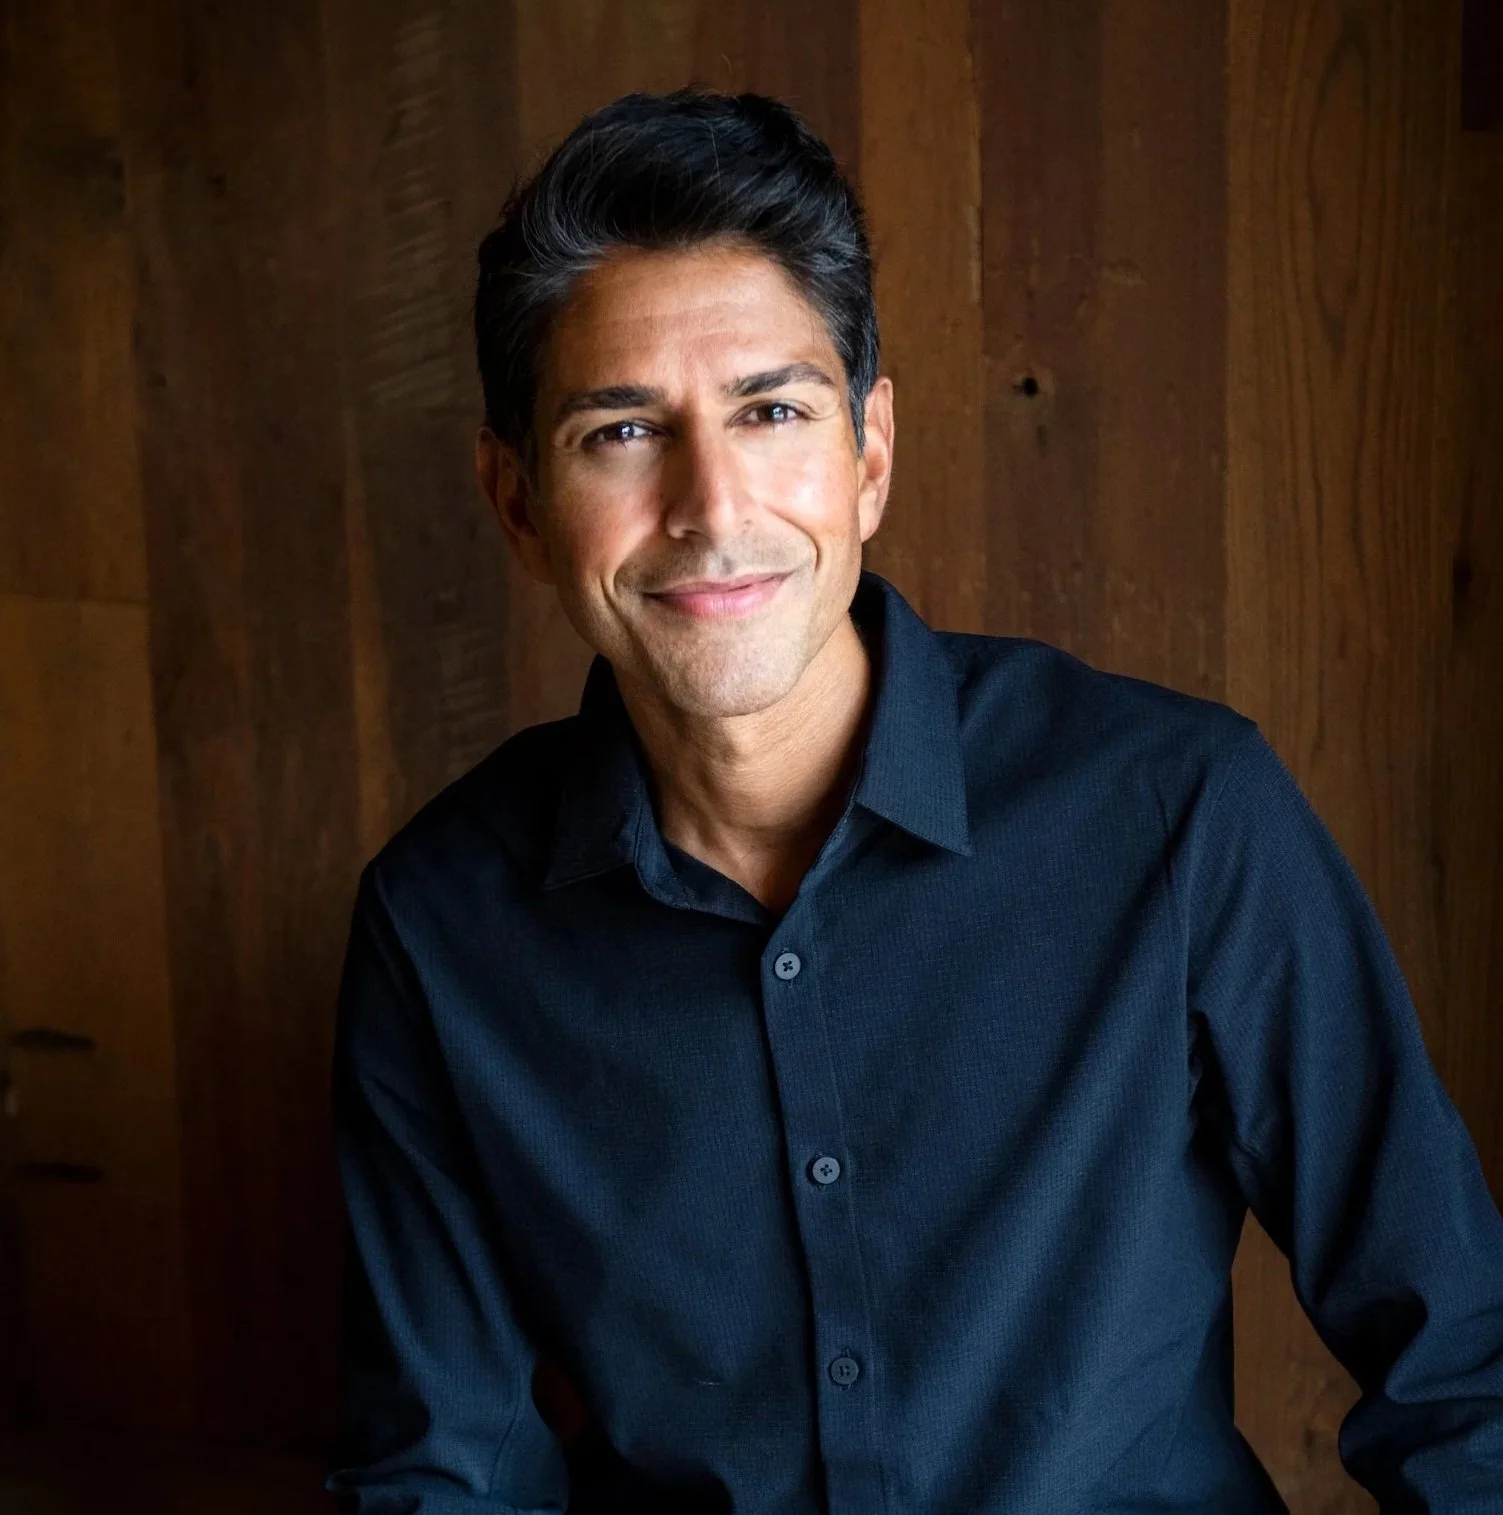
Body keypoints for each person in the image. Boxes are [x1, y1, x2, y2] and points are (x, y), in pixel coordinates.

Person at [325, 88, 1503, 1514]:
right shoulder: (439, 926)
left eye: (771, 409)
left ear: (867, 454)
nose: (711, 503)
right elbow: (436, 1467)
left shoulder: (1177, 814)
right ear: (516, 503)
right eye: (622, 432)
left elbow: (1462, 1364)